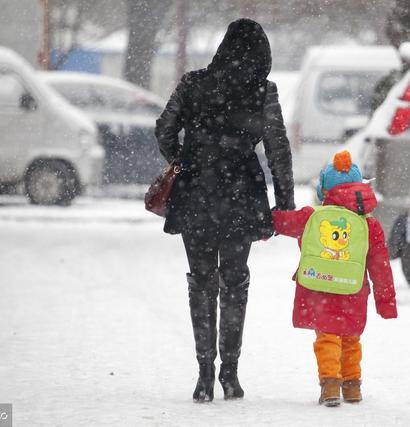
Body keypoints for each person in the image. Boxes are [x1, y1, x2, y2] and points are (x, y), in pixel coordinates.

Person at [154, 19, 295, 402]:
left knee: (201, 282)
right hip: (241, 194)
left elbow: (164, 129)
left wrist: (185, 160)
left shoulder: (193, 83)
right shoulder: (263, 91)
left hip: (196, 191)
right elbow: (278, 150)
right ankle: (230, 375)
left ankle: (203, 376)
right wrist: (285, 205)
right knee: (235, 283)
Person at [271, 150, 396, 407]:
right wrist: (386, 301)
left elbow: (283, 222)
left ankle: (330, 385)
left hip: (321, 287)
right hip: (353, 289)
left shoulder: (312, 217)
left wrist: (262, 222)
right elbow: (380, 265)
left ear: (324, 191)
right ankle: (352, 387)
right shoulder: (369, 224)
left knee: (327, 336)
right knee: (350, 336)